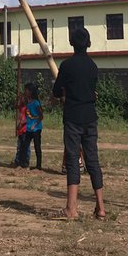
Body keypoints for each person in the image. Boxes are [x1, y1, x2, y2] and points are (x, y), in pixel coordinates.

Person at [51, 28, 105, 220]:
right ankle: (100, 207)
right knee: (93, 160)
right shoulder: (93, 66)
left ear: (71, 42)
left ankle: (71, 209)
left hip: (73, 117)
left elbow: (57, 91)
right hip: (90, 117)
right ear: (88, 43)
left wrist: (65, 92)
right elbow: (92, 90)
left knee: (73, 160)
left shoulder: (66, 66)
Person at [21, 83, 43, 171]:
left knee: (37, 146)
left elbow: (41, 116)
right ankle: (24, 163)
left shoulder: (36, 103)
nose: (25, 92)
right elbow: (28, 116)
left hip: (36, 128)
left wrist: (35, 124)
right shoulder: (27, 103)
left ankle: (38, 165)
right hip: (29, 128)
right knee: (25, 145)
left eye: (26, 90)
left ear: (30, 91)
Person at [12, 88, 28, 168]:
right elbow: (15, 106)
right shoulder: (21, 107)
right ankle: (18, 161)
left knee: (25, 147)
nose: (21, 100)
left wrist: (22, 123)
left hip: (25, 130)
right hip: (21, 130)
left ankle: (25, 162)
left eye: (22, 98)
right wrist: (17, 99)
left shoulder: (27, 107)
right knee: (19, 147)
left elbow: (29, 118)